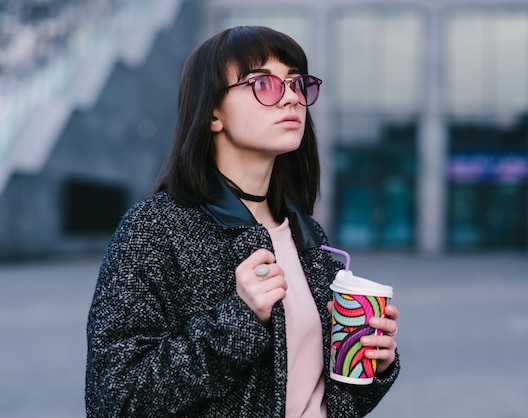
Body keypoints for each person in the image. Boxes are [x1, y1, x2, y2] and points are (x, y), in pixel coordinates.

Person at [85, 25, 400, 417]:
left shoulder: (308, 236)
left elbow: (315, 395)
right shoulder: (155, 228)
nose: (290, 99)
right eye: (264, 84)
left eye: (297, 84)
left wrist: (373, 364)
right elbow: (115, 397)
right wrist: (238, 321)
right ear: (213, 113)